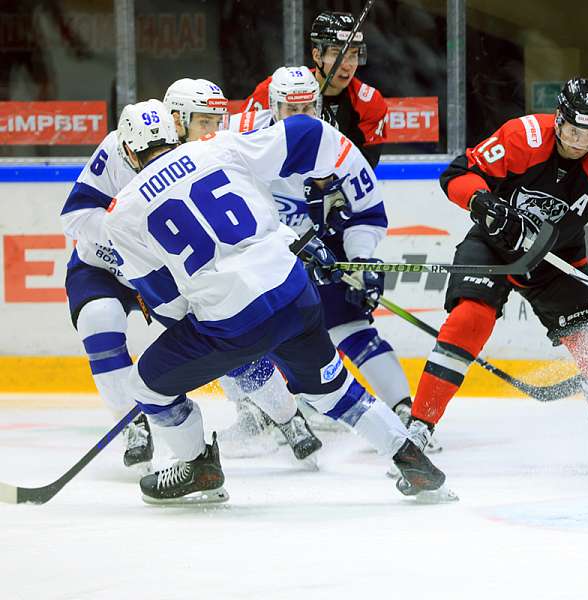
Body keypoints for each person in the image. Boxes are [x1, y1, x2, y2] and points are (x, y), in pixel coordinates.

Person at [102, 100, 446, 504]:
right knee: (334, 390)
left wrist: (211, 340)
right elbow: (307, 132)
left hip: (230, 322)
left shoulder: (120, 214)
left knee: (146, 386)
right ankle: (410, 457)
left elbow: (165, 301)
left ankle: (199, 467)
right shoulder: (217, 146)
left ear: (129, 151)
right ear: (174, 132)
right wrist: (324, 186)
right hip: (294, 292)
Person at [406, 77, 588, 463]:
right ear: (559, 119)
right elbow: (458, 174)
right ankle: (417, 429)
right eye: (574, 131)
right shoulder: (524, 136)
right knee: (469, 319)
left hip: (557, 261)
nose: (581, 143)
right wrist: (484, 203)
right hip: (494, 245)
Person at [59, 79, 320, 473]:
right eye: (203, 121)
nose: (212, 129)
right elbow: (75, 215)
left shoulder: (207, 153)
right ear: (177, 121)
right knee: (99, 320)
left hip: (167, 276)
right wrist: (127, 245)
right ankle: (134, 426)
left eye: (217, 120)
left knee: (222, 338)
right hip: (104, 268)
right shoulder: (120, 147)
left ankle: (287, 416)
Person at [230, 67, 425, 442]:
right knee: (250, 328)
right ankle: (262, 409)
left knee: (348, 319)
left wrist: (360, 260)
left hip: (320, 245)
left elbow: (367, 213)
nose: (301, 117)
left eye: (308, 107)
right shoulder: (240, 137)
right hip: (255, 250)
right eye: (291, 109)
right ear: (272, 107)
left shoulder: (337, 148)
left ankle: (402, 408)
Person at [241, 11, 387, 168]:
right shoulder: (276, 89)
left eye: (353, 55)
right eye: (336, 55)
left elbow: (364, 167)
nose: (347, 65)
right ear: (317, 55)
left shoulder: (369, 102)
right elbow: (242, 146)